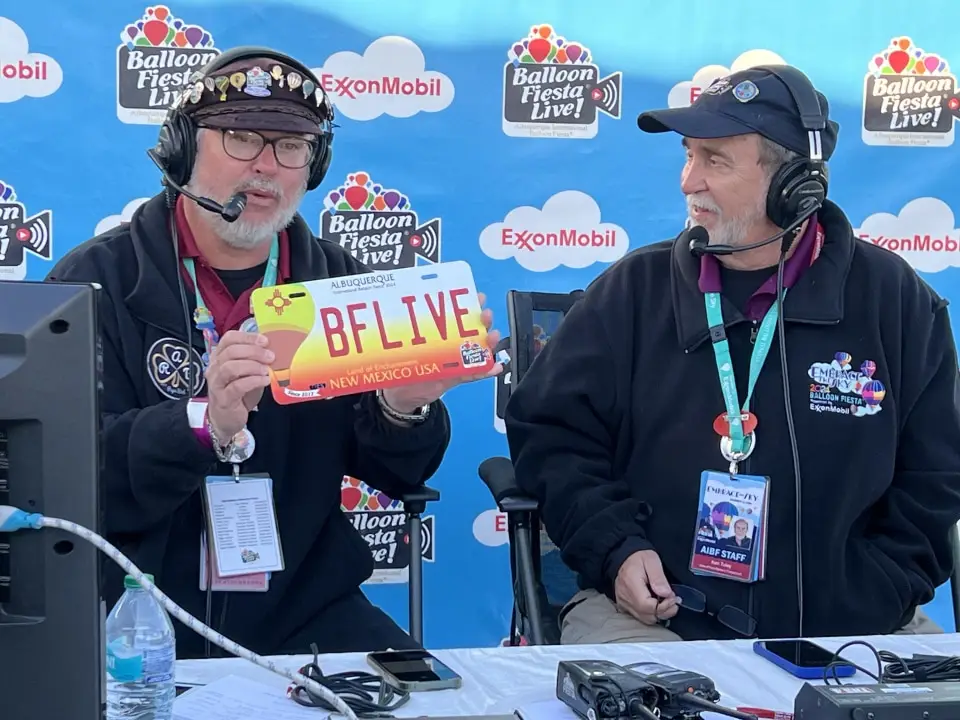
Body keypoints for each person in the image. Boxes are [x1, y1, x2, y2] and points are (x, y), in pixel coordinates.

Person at [47, 46, 500, 659]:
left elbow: (399, 474)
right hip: (136, 606)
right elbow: (67, 471)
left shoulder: (344, 286)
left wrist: (400, 409)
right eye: (241, 137)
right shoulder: (95, 282)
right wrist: (202, 423)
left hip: (307, 608)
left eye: (291, 147)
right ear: (182, 149)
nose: (267, 166)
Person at [504, 65, 960, 645]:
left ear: (796, 184)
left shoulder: (896, 301)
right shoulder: (634, 290)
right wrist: (616, 547)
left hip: (858, 624)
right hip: (660, 621)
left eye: (715, 160)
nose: (689, 181)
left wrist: (880, 587)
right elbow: (552, 436)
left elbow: (938, 472)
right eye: (688, 155)